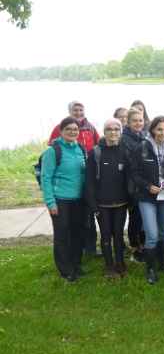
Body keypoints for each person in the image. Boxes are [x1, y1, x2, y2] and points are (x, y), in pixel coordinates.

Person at [131, 116, 164, 285]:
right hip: (147, 195)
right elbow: (134, 174)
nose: (162, 133)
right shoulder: (143, 147)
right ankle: (150, 269)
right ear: (152, 130)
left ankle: (163, 262)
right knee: (152, 235)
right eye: (159, 129)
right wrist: (147, 186)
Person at [49, 101, 99, 257]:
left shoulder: (90, 129)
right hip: (63, 195)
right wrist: (50, 201)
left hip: (83, 187)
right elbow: (47, 175)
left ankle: (89, 249)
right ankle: (69, 260)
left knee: (86, 221)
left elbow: (98, 145)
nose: (78, 112)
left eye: (81, 110)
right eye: (75, 110)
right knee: (66, 229)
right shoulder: (58, 137)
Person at [41, 117, 87, 282]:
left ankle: (76, 264)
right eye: (68, 129)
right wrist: (50, 202)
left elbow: (83, 175)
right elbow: (46, 178)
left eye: (75, 129)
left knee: (77, 234)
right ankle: (65, 269)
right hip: (60, 200)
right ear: (61, 131)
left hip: (78, 200)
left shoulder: (80, 148)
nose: (73, 132)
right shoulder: (53, 151)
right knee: (62, 235)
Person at [85, 119, 130, 279]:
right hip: (102, 204)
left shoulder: (124, 151)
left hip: (121, 203)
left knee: (118, 235)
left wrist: (131, 200)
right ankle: (109, 266)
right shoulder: (95, 152)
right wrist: (93, 205)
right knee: (105, 235)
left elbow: (129, 178)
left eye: (116, 129)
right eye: (109, 129)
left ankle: (120, 263)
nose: (113, 132)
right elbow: (89, 182)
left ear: (120, 132)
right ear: (104, 132)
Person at [121, 108, 146, 262]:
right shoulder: (124, 139)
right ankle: (136, 248)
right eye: (135, 121)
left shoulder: (144, 136)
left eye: (140, 120)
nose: (138, 123)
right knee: (136, 218)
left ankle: (145, 244)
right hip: (133, 186)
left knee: (144, 217)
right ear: (128, 122)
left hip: (146, 185)